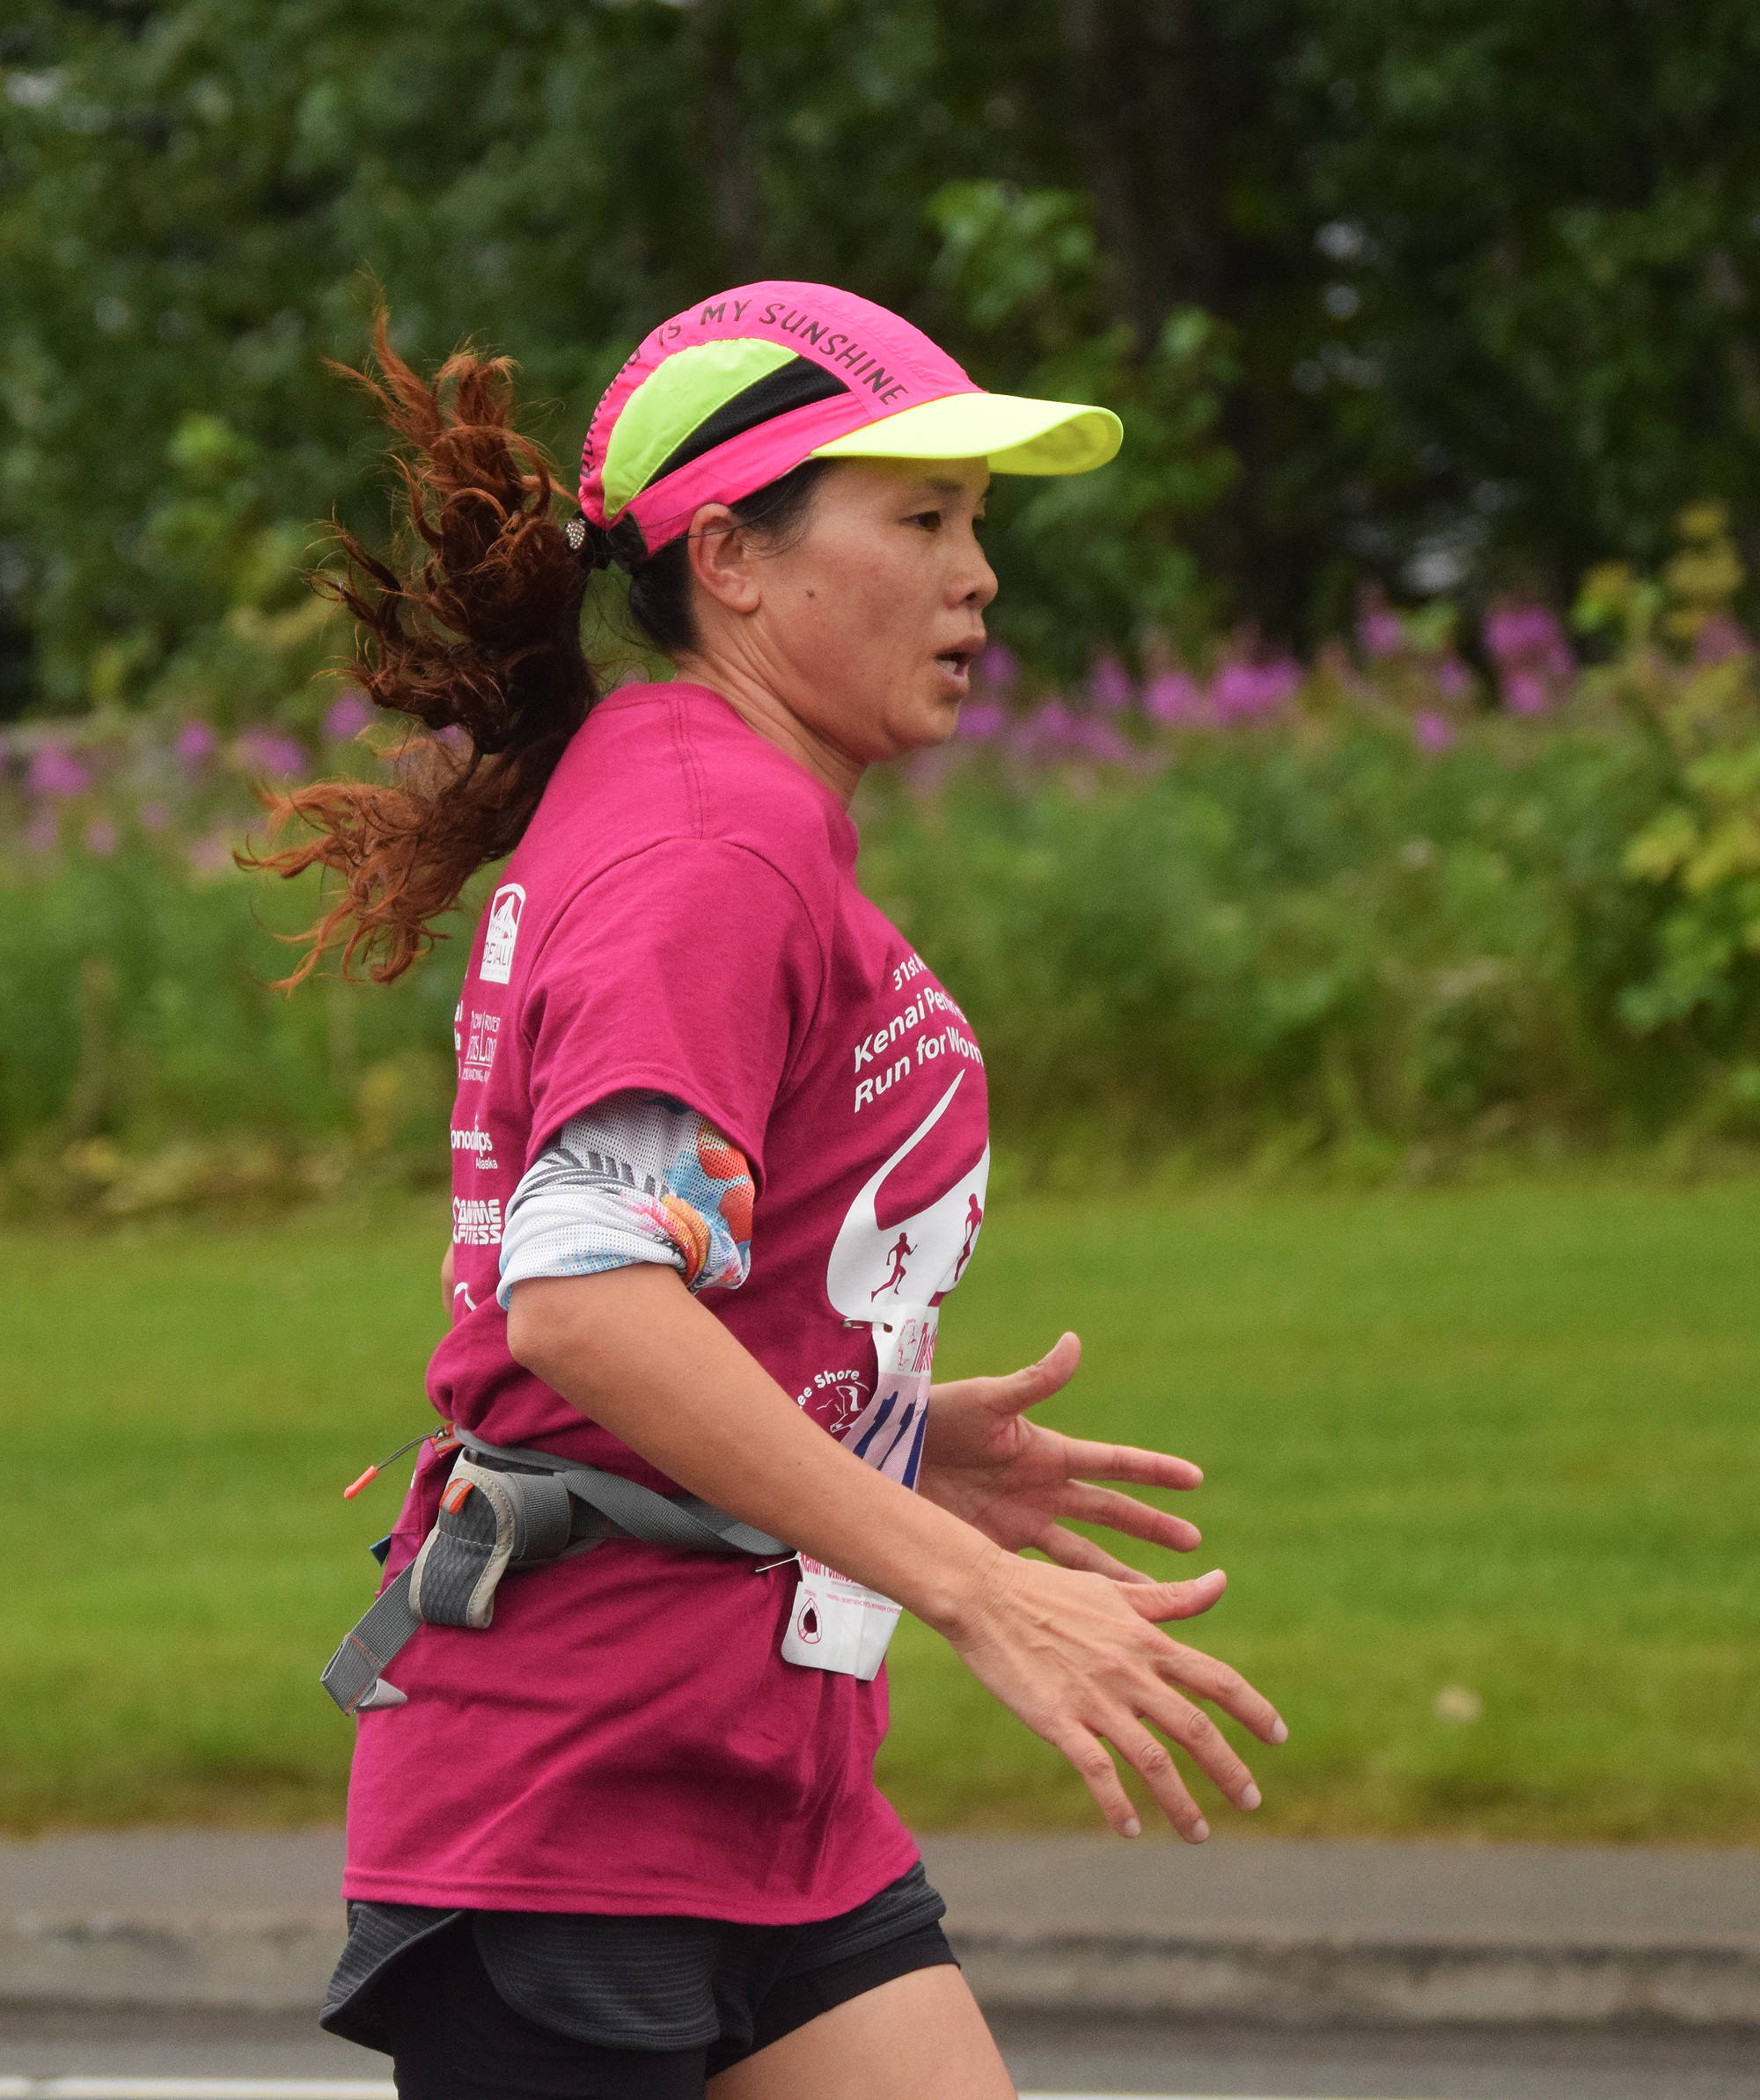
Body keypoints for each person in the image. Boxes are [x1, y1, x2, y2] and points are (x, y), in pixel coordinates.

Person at [262, 282, 1286, 2100]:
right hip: (576, 1809)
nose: (977, 575)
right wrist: (974, 1586)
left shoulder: (725, 806)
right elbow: (582, 1301)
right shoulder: (707, 845)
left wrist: (866, 1409)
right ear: (730, 553)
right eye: (919, 517)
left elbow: (671, 1262)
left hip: (757, 1794)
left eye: (976, 521)